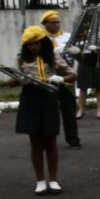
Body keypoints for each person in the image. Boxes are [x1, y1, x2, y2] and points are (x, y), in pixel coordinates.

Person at [14, 26, 76, 195]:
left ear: (43, 42)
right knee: (35, 141)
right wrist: (20, 80)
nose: (33, 47)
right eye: (29, 44)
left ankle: (54, 180)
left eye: (36, 43)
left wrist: (60, 78)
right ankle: (40, 181)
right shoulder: (21, 58)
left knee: (50, 140)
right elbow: (12, 81)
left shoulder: (53, 56)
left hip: (49, 98)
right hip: (30, 99)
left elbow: (72, 75)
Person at [40, 11, 81, 150]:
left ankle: (73, 140)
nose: (57, 25)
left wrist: (77, 52)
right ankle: (49, 141)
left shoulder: (68, 37)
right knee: (49, 112)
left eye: (58, 22)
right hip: (48, 76)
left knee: (69, 111)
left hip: (66, 74)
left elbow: (80, 59)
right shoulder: (40, 38)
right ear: (45, 24)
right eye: (53, 22)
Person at [75, 35, 100, 120]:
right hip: (83, 59)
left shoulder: (99, 32)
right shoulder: (79, 33)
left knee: (99, 85)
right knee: (83, 86)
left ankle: (99, 110)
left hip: (97, 59)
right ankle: (81, 110)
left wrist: (96, 48)